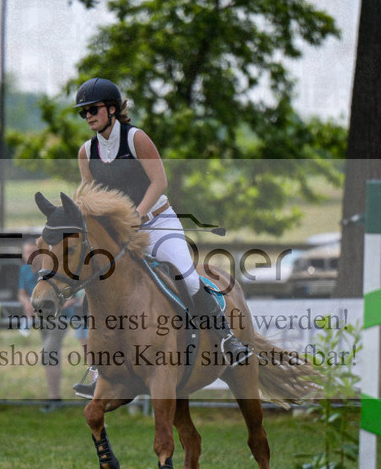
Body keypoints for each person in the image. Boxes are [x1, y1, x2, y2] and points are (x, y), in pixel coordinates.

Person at [70, 77, 251, 398]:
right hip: (120, 233)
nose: (87, 116)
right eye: (83, 112)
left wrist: (137, 215)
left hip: (157, 221)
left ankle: (227, 340)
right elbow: (91, 196)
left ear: (112, 109)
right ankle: (100, 366)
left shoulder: (136, 138)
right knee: (97, 284)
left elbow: (159, 181)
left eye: (92, 109)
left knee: (187, 276)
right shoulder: (86, 152)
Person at [18, 239, 78, 411]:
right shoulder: (24, 270)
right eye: (26, 252)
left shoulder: (52, 266)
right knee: (51, 356)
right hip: (41, 319)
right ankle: (54, 396)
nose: (29, 255)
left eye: (32, 251)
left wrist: (59, 303)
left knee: (48, 353)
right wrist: (26, 302)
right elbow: (21, 293)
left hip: (60, 317)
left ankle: (55, 399)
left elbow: (70, 291)